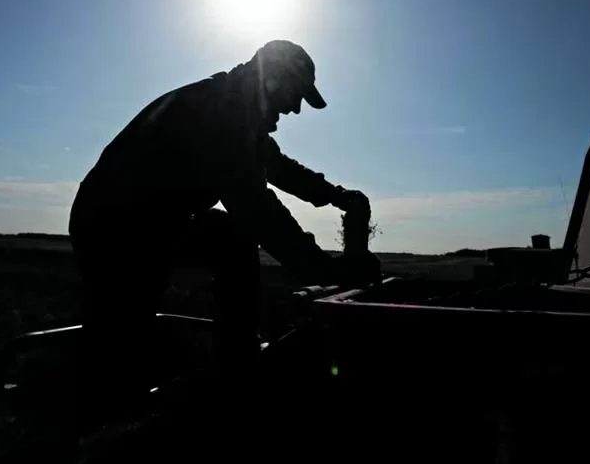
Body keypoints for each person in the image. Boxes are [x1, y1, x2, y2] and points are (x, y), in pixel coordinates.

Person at [68, 39, 379, 425]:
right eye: (295, 95)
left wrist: (337, 196)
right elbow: (257, 209)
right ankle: (102, 423)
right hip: (116, 225)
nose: (295, 107)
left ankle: (235, 360)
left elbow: (279, 167)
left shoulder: (238, 113)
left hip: (156, 221)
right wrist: (327, 272)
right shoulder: (221, 114)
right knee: (121, 341)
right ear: (273, 80)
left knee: (230, 239)